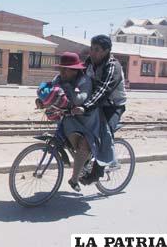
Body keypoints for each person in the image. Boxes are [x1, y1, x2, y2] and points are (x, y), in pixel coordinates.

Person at [37, 52, 100, 192]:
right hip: (70, 116)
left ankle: (75, 179)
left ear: (75, 69)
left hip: (87, 118)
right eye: (61, 68)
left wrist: (67, 89)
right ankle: (81, 159)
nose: (62, 72)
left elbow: (80, 99)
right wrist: (42, 101)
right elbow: (50, 92)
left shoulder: (84, 81)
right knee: (67, 136)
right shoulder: (59, 78)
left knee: (83, 145)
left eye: (66, 69)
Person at [73, 35, 127, 185]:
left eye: (96, 50)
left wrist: (85, 107)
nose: (92, 52)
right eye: (91, 48)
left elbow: (103, 90)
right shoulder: (90, 63)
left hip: (113, 106)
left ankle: (97, 173)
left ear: (106, 51)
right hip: (95, 103)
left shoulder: (113, 66)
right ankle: (85, 156)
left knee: (103, 132)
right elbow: (77, 78)